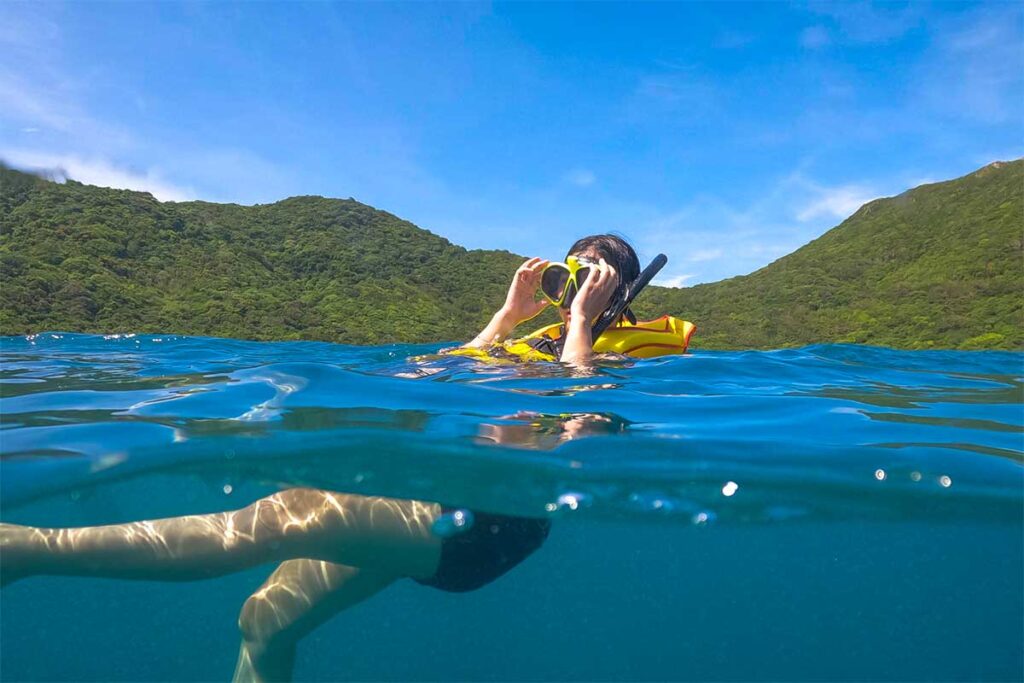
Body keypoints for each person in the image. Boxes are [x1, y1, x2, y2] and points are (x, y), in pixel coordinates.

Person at [0, 234, 644, 683]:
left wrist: (586, 322)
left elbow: (580, 433)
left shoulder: (626, 352)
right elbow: (428, 374)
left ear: (617, 291)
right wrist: (503, 321)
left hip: (491, 524)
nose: (574, 292)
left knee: (291, 512)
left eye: (592, 278)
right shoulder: (534, 341)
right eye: (572, 274)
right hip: (432, 494)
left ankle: (27, 549)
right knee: (263, 619)